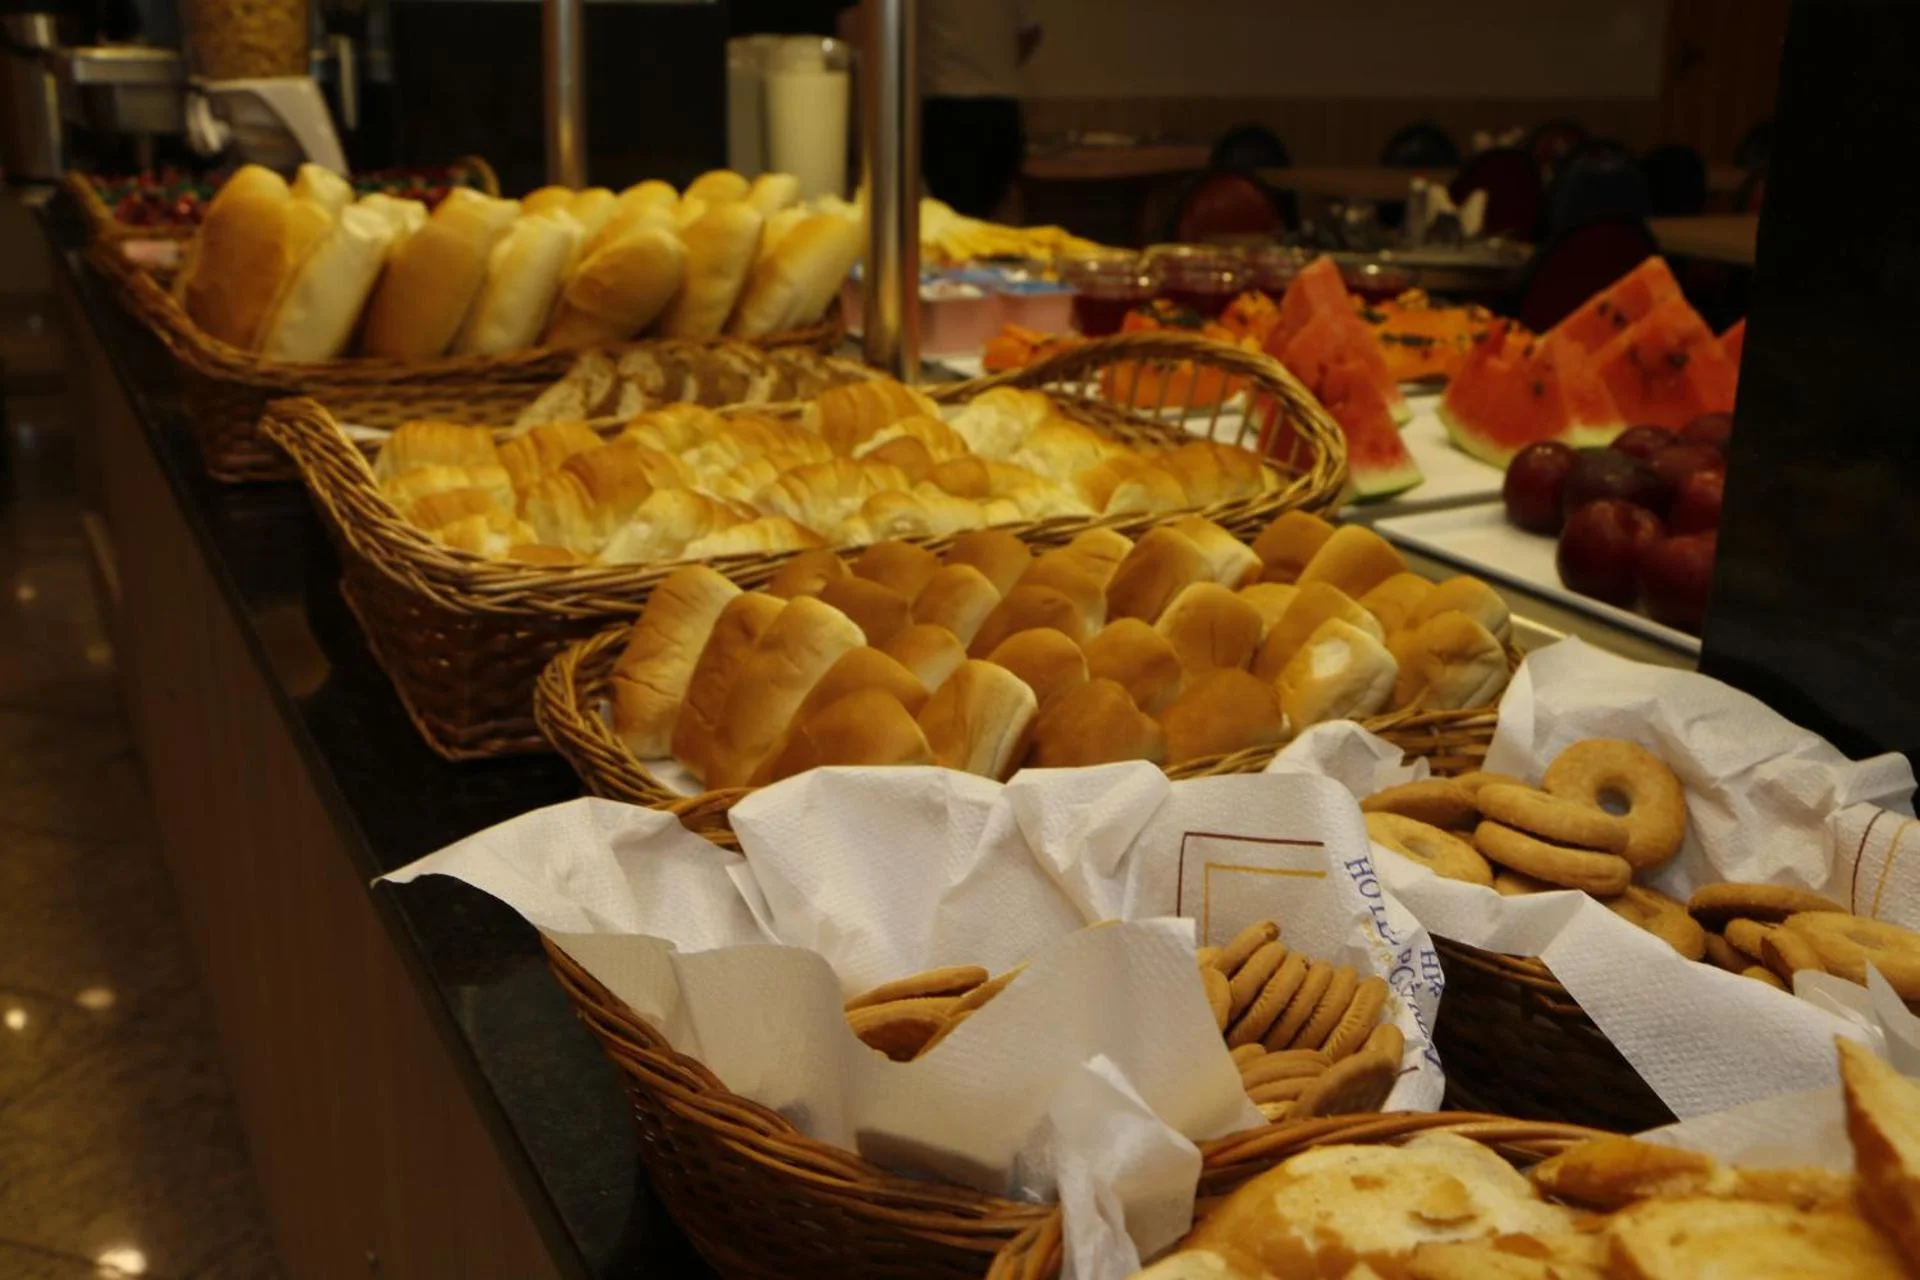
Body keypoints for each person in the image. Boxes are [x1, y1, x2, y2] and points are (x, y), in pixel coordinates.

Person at [832, 0, 1039, 219]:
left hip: (947, 105)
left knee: (954, 216)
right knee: (987, 211)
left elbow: (863, 32)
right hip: (1001, 107)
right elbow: (1030, 33)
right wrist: (997, 65)